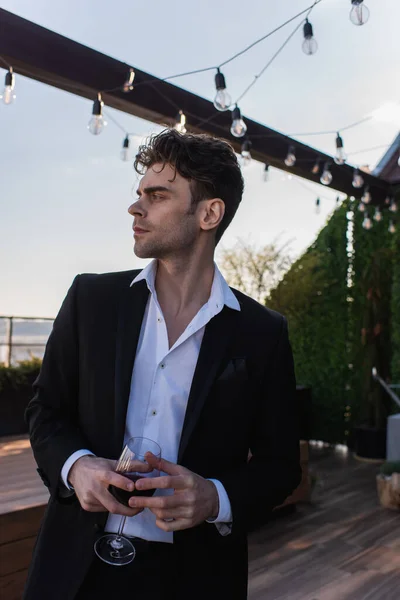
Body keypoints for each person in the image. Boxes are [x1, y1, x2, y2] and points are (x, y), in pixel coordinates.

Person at [24, 129, 301, 600]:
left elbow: (280, 467)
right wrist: (77, 467)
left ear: (209, 213)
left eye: (157, 195)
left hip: (196, 576)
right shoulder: (90, 300)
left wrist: (215, 497)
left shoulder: (263, 333)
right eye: (139, 195)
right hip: (75, 570)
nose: (136, 208)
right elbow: (45, 412)